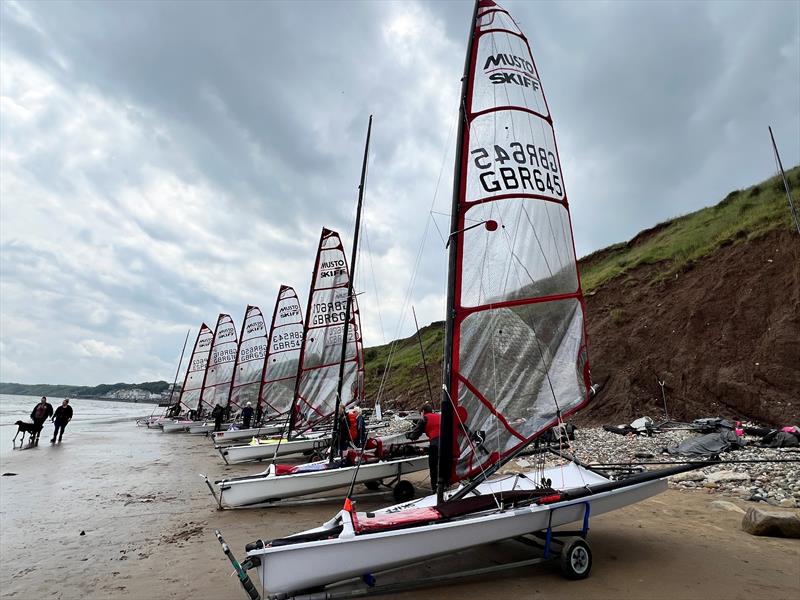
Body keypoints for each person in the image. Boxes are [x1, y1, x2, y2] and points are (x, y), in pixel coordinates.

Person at [406, 403, 441, 491]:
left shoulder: (424, 419)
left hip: (436, 444)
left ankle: (435, 489)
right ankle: (446, 484)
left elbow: (415, 435)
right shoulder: (439, 416)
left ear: (423, 412)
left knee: (434, 467)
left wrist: (408, 435)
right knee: (443, 465)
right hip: (447, 442)